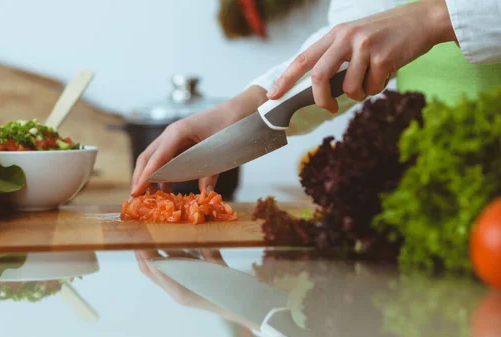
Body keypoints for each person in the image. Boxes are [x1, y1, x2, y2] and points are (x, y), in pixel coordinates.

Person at [131, 0, 501, 197]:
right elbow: (359, 32)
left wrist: (440, 16)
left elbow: (409, 20)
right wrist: (248, 107)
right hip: (439, 189)